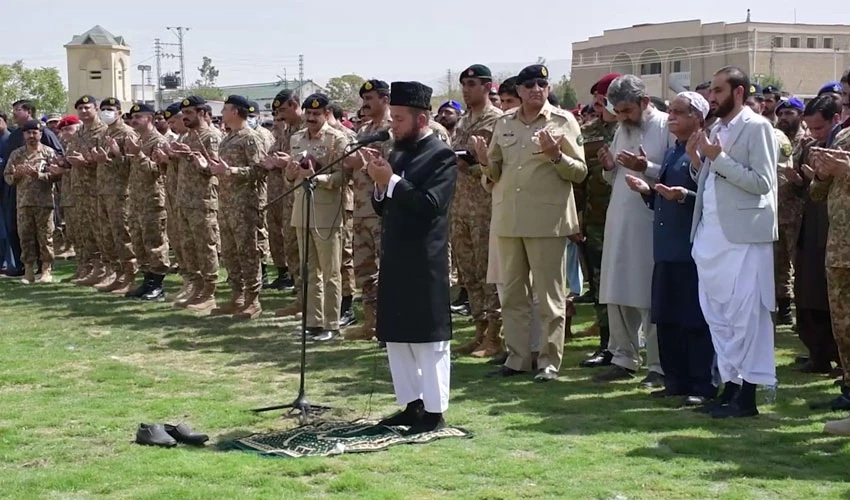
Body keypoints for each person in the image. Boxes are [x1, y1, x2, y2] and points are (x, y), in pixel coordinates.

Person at [478, 64, 587, 382]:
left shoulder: (563, 121)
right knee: (511, 294)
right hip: (510, 219)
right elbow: (495, 173)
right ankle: (517, 358)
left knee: (550, 296)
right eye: (530, 85)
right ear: (520, 90)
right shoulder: (504, 122)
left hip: (547, 220)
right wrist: (485, 161)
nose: (537, 89)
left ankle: (549, 362)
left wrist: (556, 156)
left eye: (542, 83)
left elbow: (579, 172)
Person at [367, 80, 457, 434]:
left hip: (424, 260)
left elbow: (430, 205)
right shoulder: (399, 151)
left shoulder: (441, 156)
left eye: (400, 119)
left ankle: (434, 413)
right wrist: (378, 183)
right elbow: (384, 206)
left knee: (428, 339)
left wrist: (389, 181)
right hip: (396, 256)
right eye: (393, 119)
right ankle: (412, 404)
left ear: (421, 120)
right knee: (398, 335)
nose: (393, 126)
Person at [690, 66, 778, 418]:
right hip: (712, 238)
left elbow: (762, 183)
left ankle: (749, 397)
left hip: (743, 238)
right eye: (711, 90)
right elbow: (711, 181)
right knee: (719, 317)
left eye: (718, 90)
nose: (711, 97)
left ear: (739, 92)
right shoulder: (716, 128)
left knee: (747, 318)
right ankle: (730, 387)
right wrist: (700, 162)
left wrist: (717, 158)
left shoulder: (758, 127)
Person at [624, 92, 716, 405]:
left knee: (693, 320)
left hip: (690, 251)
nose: (672, 117)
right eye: (671, 111)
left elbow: (710, 199)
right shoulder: (674, 150)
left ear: (698, 118)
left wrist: (684, 197)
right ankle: (674, 380)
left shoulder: (703, 152)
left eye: (679, 112)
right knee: (667, 319)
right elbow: (666, 197)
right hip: (666, 249)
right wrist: (648, 191)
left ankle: (700, 384)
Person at [594, 75, 672, 387]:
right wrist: (610, 167)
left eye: (627, 110)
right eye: (618, 111)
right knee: (617, 290)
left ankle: (658, 365)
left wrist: (647, 168)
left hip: (650, 219)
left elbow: (677, 170)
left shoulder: (666, 126)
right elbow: (614, 178)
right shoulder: (622, 129)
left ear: (644, 102)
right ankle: (623, 357)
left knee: (647, 294)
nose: (623, 117)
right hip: (620, 217)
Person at [284, 93, 348, 342]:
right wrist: (290, 174)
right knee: (309, 270)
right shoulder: (297, 138)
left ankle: (331, 323)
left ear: (326, 114)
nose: (311, 118)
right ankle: (312, 321)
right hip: (302, 210)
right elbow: (291, 176)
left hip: (326, 213)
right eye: (308, 113)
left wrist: (317, 177)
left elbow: (343, 178)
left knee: (331, 271)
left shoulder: (336, 140)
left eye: (316, 114)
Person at [450, 64, 504, 358]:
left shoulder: (497, 120)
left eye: (472, 83)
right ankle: (479, 331)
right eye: (464, 84)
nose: (466, 89)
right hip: (460, 207)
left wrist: (470, 167)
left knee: (488, 273)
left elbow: (497, 167)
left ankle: (496, 336)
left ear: (487, 86)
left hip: (485, 207)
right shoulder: (461, 121)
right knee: (468, 274)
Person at [207, 95, 268, 319]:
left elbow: (260, 171)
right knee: (231, 253)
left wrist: (230, 171)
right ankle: (237, 296)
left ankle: (253, 300)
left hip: (245, 205)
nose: (221, 114)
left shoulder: (250, 138)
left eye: (224, 110)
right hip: (226, 203)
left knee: (248, 252)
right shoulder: (227, 137)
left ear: (235, 112)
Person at [576, 73, 619, 369]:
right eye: (598, 99)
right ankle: (607, 344)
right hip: (596, 220)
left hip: (633, 217)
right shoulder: (588, 133)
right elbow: (579, 179)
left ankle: (634, 343)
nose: (599, 104)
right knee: (601, 285)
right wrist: (576, 216)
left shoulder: (638, 129)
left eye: (604, 99)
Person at [0, 100, 63, 278]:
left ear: (40, 134)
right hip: (23, 202)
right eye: (28, 133)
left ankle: (46, 269)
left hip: (44, 202)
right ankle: (28, 269)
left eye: (34, 133)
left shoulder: (49, 153)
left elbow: (58, 175)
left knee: (45, 237)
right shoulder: (17, 154)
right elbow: (8, 177)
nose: (31, 136)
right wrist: (17, 175)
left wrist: (39, 175)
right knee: (25, 236)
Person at [171, 96, 222, 312]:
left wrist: (194, 158)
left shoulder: (210, 136)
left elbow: (214, 167)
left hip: (202, 200)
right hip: (184, 199)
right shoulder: (187, 136)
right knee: (188, 246)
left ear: (202, 113)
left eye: (189, 113)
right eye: (184, 114)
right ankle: (196, 286)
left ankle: (209, 291)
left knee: (205, 246)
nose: (185, 117)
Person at [123, 103, 170, 301]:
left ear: (149, 118)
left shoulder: (157, 141)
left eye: (138, 117)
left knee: (155, 242)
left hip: (153, 199)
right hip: (136, 199)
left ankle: (158, 285)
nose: (133, 121)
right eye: (132, 118)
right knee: (139, 242)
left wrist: (139, 154)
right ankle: (147, 281)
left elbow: (157, 170)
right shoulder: (137, 139)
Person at [91, 97, 138, 294]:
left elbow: (132, 164)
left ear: (119, 112)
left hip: (121, 192)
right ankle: (116, 273)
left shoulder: (127, 133)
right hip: (103, 190)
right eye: (103, 109)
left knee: (123, 235)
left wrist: (112, 158)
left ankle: (129, 275)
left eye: (110, 109)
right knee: (107, 235)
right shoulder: (103, 133)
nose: (105, 113)